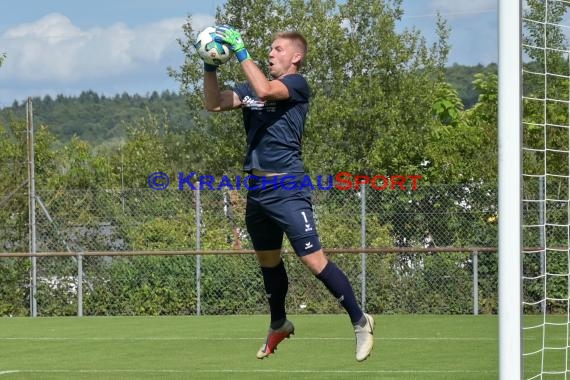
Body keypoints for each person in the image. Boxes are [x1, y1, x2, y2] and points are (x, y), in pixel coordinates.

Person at [201, 24, 374, 362]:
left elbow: (265, 91)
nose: (270, 53)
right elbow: (213, 103)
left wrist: (240, 51)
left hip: (287, 187)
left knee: (313, 260)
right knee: (269, 262)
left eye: (278, 49)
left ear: (296, 57)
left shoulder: (295, 85)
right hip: (258, 189)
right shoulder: (251, 88)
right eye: (269, 48)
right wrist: (209, 64)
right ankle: (279, 322)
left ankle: (359, 320)